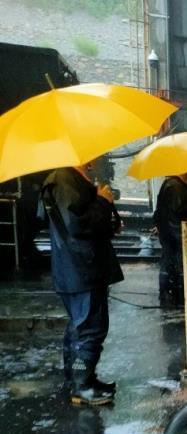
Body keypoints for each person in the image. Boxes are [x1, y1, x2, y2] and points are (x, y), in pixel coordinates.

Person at [40, 162, 123, 405]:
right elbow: (77, 224)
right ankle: (82, 385)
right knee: (91, 329)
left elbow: (78, 222)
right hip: (82, 268)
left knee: (80, 327)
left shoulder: (63, 179)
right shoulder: (65, 180)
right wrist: (103, 201)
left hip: (76, 269)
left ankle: (80, 379)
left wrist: (107, 218)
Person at [153, 172, 187, 306]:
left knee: (169, 263)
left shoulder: (171, 184)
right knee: (178, 265)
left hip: (169, 233)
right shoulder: (176, 186)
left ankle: (169, 293)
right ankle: (176, 295)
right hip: (177, 234)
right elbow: (179, 210)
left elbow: (159, 209)